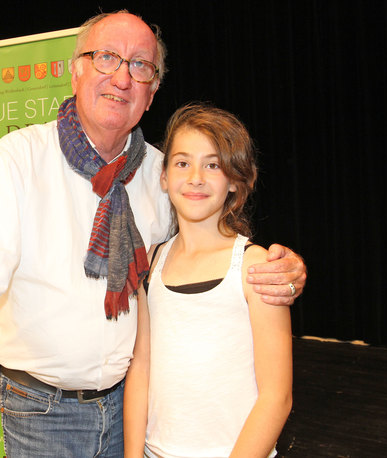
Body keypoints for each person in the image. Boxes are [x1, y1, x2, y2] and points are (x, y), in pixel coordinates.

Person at [0, 10, 306, 458]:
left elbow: (211, 247)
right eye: (106, 58)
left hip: (135, 410)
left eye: (140, 65)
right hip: (41, 414)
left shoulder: (162, 176)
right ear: (76, 72)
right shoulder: (18, 160)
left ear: (151, 92)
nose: (122, 77)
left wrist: (287, 270)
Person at [123, 103, 293, 458]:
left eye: (212, 165)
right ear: (165, 176)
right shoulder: (150, 263)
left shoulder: (256, 267)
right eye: (182, 163)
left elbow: (277, 397)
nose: (196, 177)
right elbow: (141, 367)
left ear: (234, 180)